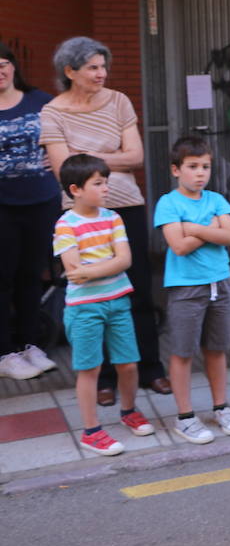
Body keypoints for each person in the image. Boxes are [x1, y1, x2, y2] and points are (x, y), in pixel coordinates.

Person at [40, 37, 170, 403]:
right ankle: (104, 378)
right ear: (70, 72)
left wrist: (88, 158)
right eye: (93, 67)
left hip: (126, 206)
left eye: (103, 66)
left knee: (138, 288)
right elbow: (65, 172)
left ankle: (150, 368)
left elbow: (137, 156)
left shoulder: (118, 101)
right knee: (92, 295)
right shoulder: (52, 112)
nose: (102, 74)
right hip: (80, 214)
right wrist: (111, 156)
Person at [52, 155, 155, 456]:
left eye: (106, 182)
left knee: (128, 364)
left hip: (118, 301)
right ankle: (91, 430)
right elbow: (74, 271)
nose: (106, 188)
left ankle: (129, 411)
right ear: (76, 189)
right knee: (90, 369)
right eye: (98, 183)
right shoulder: (65, 224)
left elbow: (126, 260)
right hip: (84, 308)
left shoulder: (113, 218)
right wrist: (110, 265)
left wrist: (94, 269)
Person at [153, 135, 230, 444]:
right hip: (185, 288)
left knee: (217, 348)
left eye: (205, 166)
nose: (200, 173)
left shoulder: (216, 199)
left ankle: (221, 406)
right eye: (192, 166)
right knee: (182, 351)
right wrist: (211, 230)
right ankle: (186, 417)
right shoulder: (168, 202)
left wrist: (193, 228)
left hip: (221, 282)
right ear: (176, 170)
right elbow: (178, 246)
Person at [0, 41, 63, 380]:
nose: (0, 70)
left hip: (41, 200)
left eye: (3, 63)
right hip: (2, 207)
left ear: (13, 67)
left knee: (31, 276)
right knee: (2, 278)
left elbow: (60, 142)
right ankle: (4, 353)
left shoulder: (41, 101)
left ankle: (29, 345)